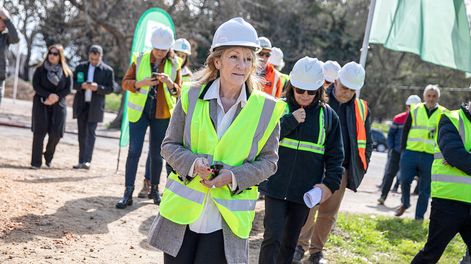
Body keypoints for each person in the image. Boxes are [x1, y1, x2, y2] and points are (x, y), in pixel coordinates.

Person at [147, 17, 286, 264]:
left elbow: (269, 162)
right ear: (217, 61)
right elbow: (168, 146)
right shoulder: (190, 94)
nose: (241, 65)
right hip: (183, 216)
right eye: (234, 56)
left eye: (247, 59)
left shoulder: (267, 109)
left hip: (226, 221)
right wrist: (193, 164)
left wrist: (233, 177)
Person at [258, 57, 344, 264]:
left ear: (319, 90)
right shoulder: (278, 108)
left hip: (304, 193)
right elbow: (260, 139)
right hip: (275, 187)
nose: (305, 96)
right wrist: (290, 121)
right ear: (291, 87)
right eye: (300, 90)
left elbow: (336, 158)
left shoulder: (329, 117)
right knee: (272, 238)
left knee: (290, 242)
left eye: (311, 91)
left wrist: (328, 186)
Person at [294, 62, 373, 264]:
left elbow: (367, 142)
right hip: (315, 165)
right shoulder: (317, 99)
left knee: (328, 213)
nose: (346, 92)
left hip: (340, 169)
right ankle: (298, 246)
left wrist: (360, 167)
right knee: (308, 208)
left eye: (351, 89)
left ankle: (316, 252)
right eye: (343, 87)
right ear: (336, 81)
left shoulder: (361, 108)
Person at [116, 25, 182, 208]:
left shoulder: (175, 63)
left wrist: (169, 82)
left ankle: (154, 190)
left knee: (156, 154)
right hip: (140, 113)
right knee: (134, 151)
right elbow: (125, 83)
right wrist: (141, 83)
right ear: (152, 46)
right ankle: (127, 193)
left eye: (164, 49)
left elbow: (179, 91)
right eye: (158, 49)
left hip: (162, 114)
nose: (160, 53)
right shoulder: (139, 59)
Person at [411, 100, 471, 263]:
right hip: (449, 201)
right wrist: (459, 158)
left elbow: (461, 159)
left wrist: (464, 157)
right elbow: (454, 154)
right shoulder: (450, 119)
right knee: (431, 253)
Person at [395, 85, 448, 220]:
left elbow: (445, 136)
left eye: (434, 96)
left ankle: (419, 217)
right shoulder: (415, 109)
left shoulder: (444, 113)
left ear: (438, 97)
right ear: (424, 96)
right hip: (411, 153)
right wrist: (403, 151)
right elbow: (405, 131)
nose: (431, 98)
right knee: (404, 181)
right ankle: (405, 203)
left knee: (425, 190)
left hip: (430, 156)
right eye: (429, 96)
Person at [72, 45, 114, 170]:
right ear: (89, 56)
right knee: (81, 134)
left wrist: (98, 88)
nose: (94, 61)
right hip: (81, 105)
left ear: (101, 57)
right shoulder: (80, 67)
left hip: (95, 107)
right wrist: (82, 85)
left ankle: (87, 161)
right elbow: (74, 83)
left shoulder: (108, 71)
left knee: (91, 133)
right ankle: (80, 161)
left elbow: (111, 88)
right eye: (92, 59)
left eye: (96, 59)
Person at [30, 44, 72, 169]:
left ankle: (48, 156)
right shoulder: (40, 69)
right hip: (42, 104)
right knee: (39, 133)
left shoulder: (66, 72)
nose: (52, 56)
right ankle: (36, 162)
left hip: (58, 105)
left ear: (60, 56)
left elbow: (68, 89)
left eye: (55, 54)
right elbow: (36, 85)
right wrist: (48, 96)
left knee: (56, 134)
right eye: (50, 53)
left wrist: (56, 97)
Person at [377, 95, 421, 204]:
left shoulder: (421, 121)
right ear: (407, 106)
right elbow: (391, 135)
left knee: (407, 178)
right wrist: (391, 148)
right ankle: (383, 196)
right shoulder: (399, 118)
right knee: (390, 174)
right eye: (410, 106)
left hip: (411, 153)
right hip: (396, 152)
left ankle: (404, 202)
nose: (412, 108)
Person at [0, 7, 19, 106]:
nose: (4, 24)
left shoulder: (5, 37)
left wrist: (7, 19)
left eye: (5, 22)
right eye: (2, 21)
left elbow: (16, 38)